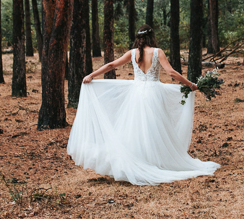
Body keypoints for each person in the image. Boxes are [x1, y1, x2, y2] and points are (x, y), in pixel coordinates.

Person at [66, 25, 220, 185]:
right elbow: (172, 73)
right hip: (153, 93)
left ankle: (138, 159)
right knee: (154, 126)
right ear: (151, 37)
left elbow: (111, 65)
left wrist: (91, 75)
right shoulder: (157, 52)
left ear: (138, 38)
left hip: (137, 93)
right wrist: (191, 84)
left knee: (135, 127)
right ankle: (153, 160)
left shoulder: (132, 53)